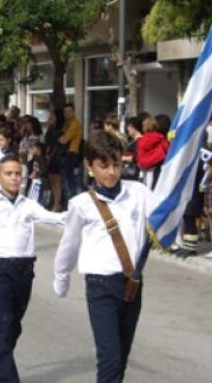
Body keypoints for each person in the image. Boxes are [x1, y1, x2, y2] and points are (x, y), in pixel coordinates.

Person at [53, 131, 151, 383]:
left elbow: (163, 216)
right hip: (100, 287)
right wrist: (61, 275)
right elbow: (69, 243)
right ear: (90, 167)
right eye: (103, 166)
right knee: (109, 357)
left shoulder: (138, 192)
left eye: (116, 164)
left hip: (132, 284)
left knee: (121, 358)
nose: (111, 172)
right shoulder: (81, 203)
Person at [0, 156, 66, 382]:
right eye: (8, 173)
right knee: (5, 323)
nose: (14, 178)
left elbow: (52, 218)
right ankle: (8, 377)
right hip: (0, 270)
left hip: (24, 270)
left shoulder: (28, 205)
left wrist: (76, 215)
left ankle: (3, 362)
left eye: (18, 173)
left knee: (14, 326)